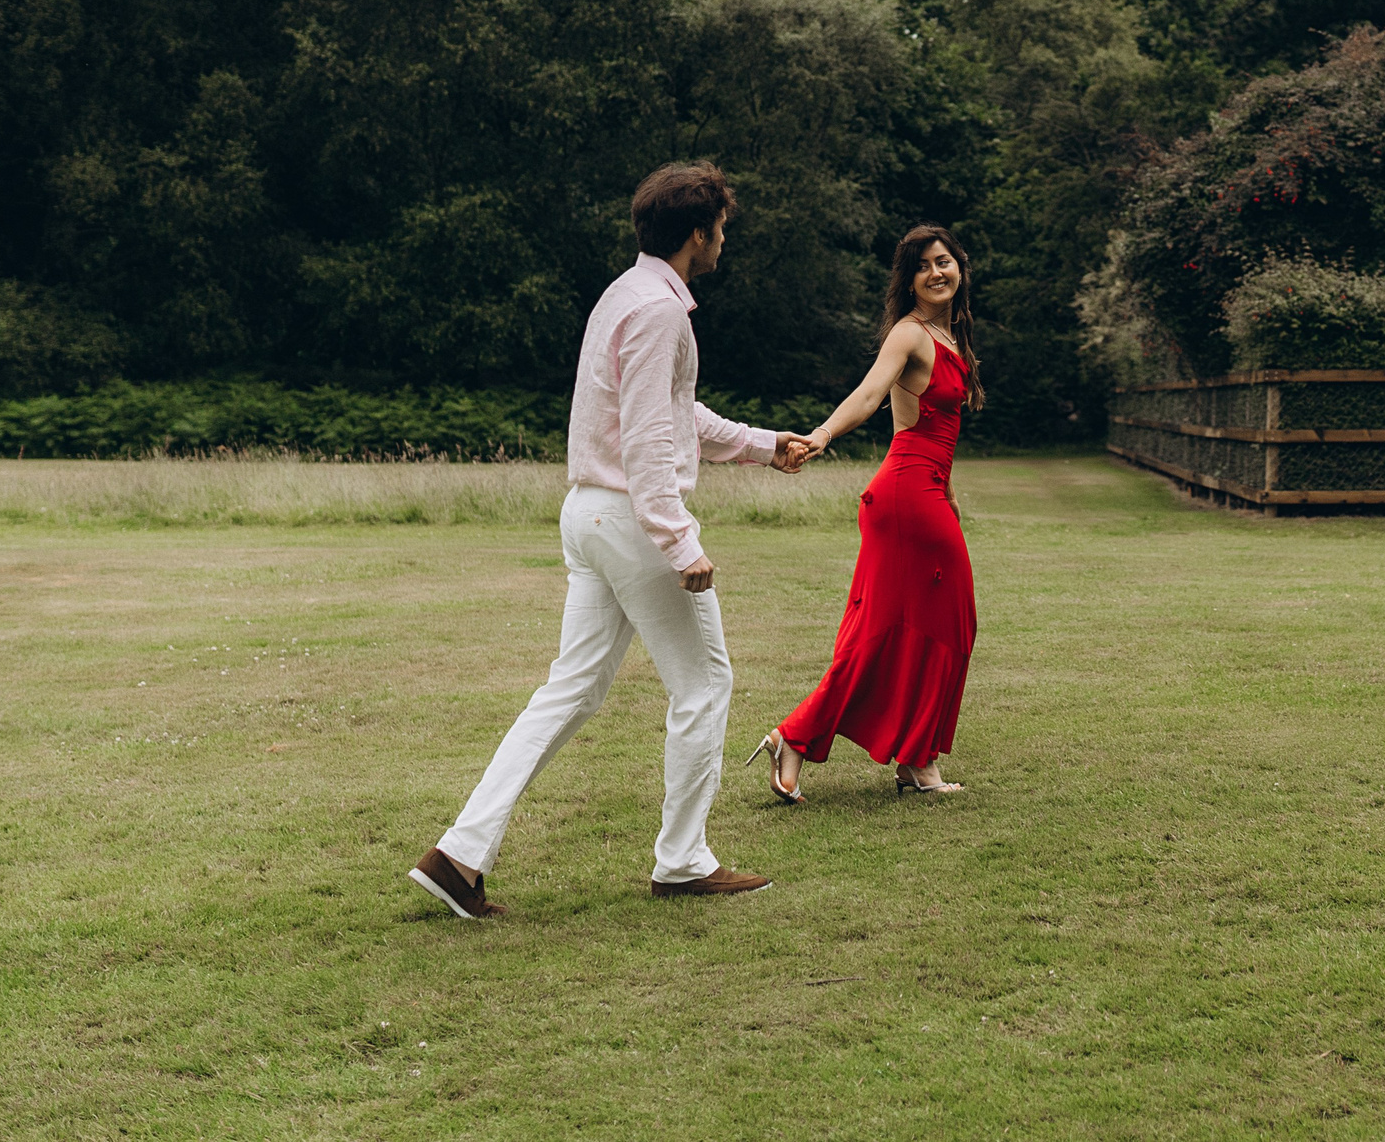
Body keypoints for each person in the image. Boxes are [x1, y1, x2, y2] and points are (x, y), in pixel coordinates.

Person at [408, 162, 813, 919]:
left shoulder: (626, 296)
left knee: (572, 689)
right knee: (704, 685)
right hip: (630, 520)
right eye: (722, 226)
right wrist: (678, 541)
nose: (726, 238)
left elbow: (670, 412)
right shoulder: (661, 312)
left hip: (589, 513)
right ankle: (683, 860)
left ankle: (459, 855)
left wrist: (763, 445)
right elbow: (652, 438)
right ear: (698, 232)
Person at [747, 224, 981, 801]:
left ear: (960, 268)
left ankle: (914, 761)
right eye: (924, 265)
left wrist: (947, 488)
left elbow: (924, 425)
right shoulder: (910, 334)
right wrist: (823, 433)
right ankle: (800, 737)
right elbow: (871, 393)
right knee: (907, 630)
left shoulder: (952, 340)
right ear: (910, 280)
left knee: (936, 627)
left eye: (945, 261)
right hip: (906, 497)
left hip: (926, 492)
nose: (937, 273)